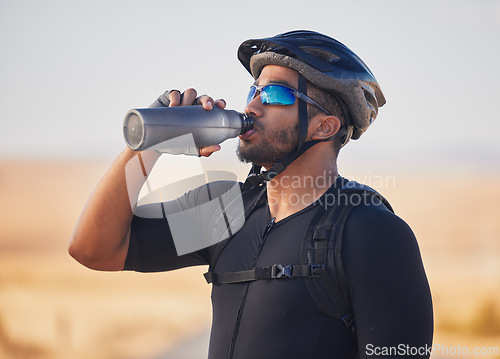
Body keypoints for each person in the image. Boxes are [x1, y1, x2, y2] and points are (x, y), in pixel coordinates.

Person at [69, 30, 433, 359]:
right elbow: (95, 249)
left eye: (275, 94)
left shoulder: (372, 233)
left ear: (325, 126)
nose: (252, 106)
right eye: (254, 90)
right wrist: (150, 144)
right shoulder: (226, 211)